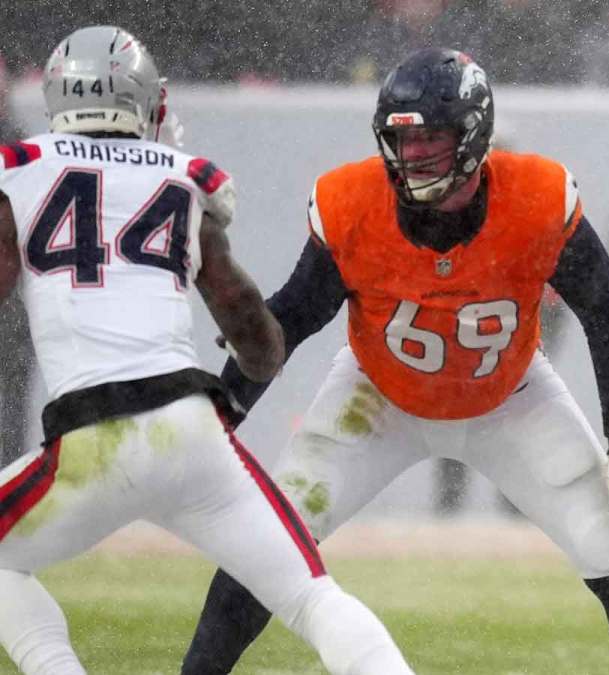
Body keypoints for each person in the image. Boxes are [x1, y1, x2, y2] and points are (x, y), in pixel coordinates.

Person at [180, 48, 609, 675]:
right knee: (266, 549)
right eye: (401, 139)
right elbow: (290, 319)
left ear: (474, 136)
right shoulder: (353, 201)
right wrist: (221, 414)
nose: (412, 155)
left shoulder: (536, 198)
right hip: (377, 396)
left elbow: (608, 315)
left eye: (431, 139)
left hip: (511, 397)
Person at [0, 26, 412, 675]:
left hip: (91, 437)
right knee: (312, 594)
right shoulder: (182, 178)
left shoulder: (20, 171)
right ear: (143, 100)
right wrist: (258, 354)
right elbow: (251, 327)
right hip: (193, 431)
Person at [0, 53, 33, 469]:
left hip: (9, 310)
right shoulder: (18, 149)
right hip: (11, 307)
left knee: (8, 412)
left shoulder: (18, 149)